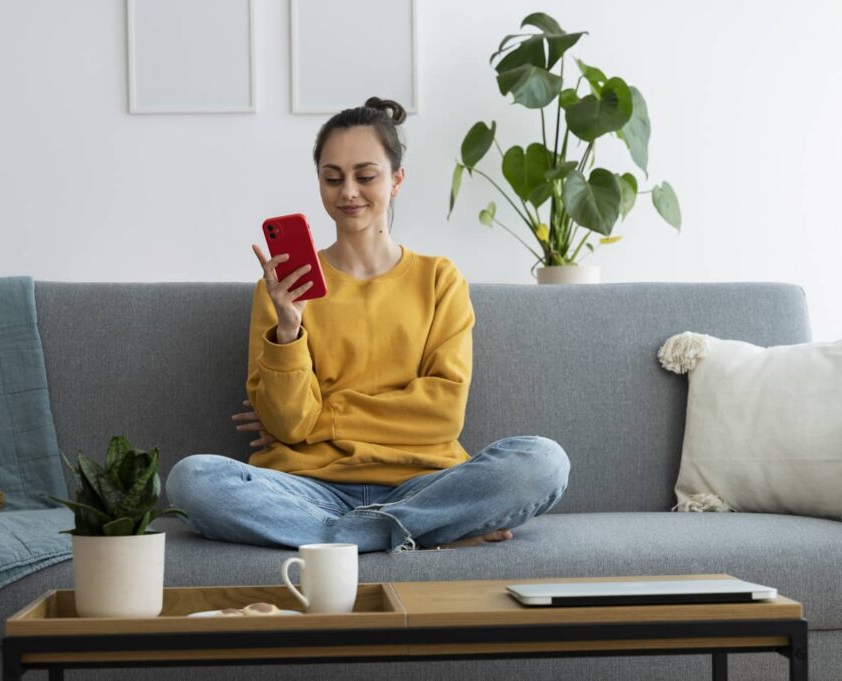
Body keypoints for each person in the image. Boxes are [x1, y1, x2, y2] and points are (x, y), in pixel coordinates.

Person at [166, 97, 570, 553]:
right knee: (192, 480)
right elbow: (286, 422)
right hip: (308, 490)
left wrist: (322, 419)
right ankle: (408, 532)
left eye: (366, 176)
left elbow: (442, 413)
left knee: (543, 461)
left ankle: (346, 537)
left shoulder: (438, 279)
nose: (348, 192)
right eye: (332, 178)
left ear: (397, 180)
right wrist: (288, 329)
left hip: (424, 485)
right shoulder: (281, 289)